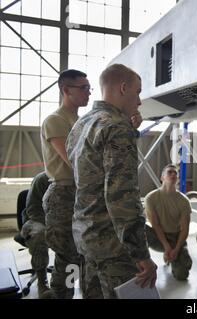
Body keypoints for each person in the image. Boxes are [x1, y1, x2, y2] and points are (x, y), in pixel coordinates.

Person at [66, 63, 157, 299]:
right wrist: (141, 255)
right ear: (124, 88)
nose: (139, 101)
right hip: (114, 246)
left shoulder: (81, 124)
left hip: (86, 238)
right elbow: (121, 199)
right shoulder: (116, 127)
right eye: (138, 92)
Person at [40, 69, 90, 298]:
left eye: (89, 88)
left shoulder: (79, 121)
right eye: (83, 88)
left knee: (79, 254)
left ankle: (65, 292)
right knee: (67, 255)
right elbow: (74, 160)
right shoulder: (56, 121)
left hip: (79, 194)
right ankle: (60, 294)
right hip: (63, 194)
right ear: (66, 90)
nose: (88, 92)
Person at [144, 164, 192, 281]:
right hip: (157, 236)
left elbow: (185, 230)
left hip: (175, 238)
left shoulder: (184, 201)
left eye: (176, 173)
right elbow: (155, 225)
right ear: (162, 177)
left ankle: (174, 259)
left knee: (183, 274)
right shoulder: (151, 198)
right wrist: (166, 247)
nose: (173, 174)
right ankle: (141, 261)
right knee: (139, 228)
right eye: (170, 172)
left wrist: (175, 249)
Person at [19, 171, 50, 298]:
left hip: (64, 221)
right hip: (36, 220)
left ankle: (82, 279)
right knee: (39, 234)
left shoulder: (77, 176)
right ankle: (42, 282)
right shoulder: (42, 179)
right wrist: (53, 225)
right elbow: (33, 210)